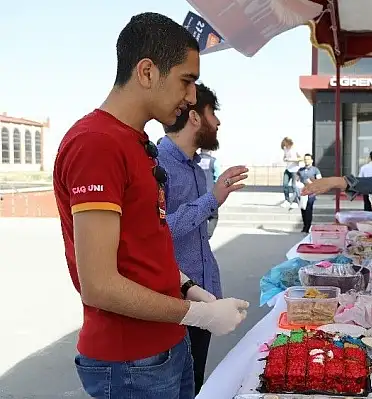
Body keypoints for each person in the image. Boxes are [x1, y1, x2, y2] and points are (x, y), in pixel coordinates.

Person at [52, 13, 249, 398]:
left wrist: (190, 288)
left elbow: (146, 244)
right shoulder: (97, 144)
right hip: (131, 361)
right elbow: (99, 286)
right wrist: (199, 315)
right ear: (146, 72)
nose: (192, 97)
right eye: (186, 81)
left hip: (167, 345)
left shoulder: (137, 144)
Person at [159, 82, 249, 393]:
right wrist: (210, 200)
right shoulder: (157, 164)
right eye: (213, 113)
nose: (218, 123)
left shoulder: (199, 169)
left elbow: (200, 233)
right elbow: (158, 230)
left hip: (205, 294)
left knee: (193, 384)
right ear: (195, 117)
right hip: (172, 302)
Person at [198, 149, 222, 238]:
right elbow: (218, 178)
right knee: (213, 216)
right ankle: (207, 235)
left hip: (196, 194)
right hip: (210, 194)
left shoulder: (194, 160)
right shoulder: (213, 161)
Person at [296, 153, 322, 233]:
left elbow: (319, 180)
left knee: (308, 209)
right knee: (303, 209)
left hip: (311, 193)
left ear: (311, 160)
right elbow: (296, 180)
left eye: (308, 159)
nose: (306, 161)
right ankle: (304, 225)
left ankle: (307, 227)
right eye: (305, 159)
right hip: (303, 192)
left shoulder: (315, 170)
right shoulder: (301, 170)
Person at [280, 137, 302, 209]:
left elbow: (301, 158)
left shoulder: (296, 149)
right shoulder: (285, 149)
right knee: (285, 185)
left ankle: (296, 202)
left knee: (294, 186)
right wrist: (285, 159)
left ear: (289, 143)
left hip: (295, 170)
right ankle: (287, 200)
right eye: (285, 146)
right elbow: (284, 157)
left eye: (287, 145)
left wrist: (292, 160)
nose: (286, 147)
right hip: (288, 169)